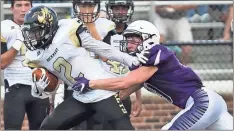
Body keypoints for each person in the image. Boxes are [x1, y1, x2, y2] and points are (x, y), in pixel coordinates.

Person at [72, 20, 233, 130]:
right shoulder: (143, 66)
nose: (129, 44)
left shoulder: (156, 51)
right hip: (209, 102)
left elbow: (124, 82)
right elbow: (121, 94)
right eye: (128, 40)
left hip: (202, 102)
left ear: (149, 38)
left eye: (135, 39)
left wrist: (91, 83)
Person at [21, 5, 147, 130]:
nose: (32, 37)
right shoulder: (34, 56)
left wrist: (132, 61)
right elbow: (51, 88)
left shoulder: (67, 32)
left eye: (36, 32)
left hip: (103, 92)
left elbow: (104, 49)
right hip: (80, 96)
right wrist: (37, 89)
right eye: (30, 33)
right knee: (48, 127)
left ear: (49, 27)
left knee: (123, 128)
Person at [1, 0, 50, 130]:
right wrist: (19, 41)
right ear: (12, 8)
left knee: (42, 128)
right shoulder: (4, 28)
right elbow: (2, 63)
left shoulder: (43, 27)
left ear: (32, 7)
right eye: (19, 5)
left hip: (40, 85)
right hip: (15, 86)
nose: (23, 9)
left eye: (26, 5)